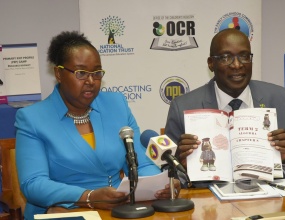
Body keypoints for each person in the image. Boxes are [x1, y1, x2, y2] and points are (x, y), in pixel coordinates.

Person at [15, 31, 180, 219]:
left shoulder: (116, 105)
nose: (91, 81)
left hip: (116, 209)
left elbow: (140, 164)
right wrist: (88, 197)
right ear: (59, 73)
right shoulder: (32, 118)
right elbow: (33, 183)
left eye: (97, 73)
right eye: (81, 73)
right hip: (62, 210)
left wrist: (159, 186)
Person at [165, 28, 285, 187]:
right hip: (210, 206)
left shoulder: (279, 99)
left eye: (244, 56)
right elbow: (167, 174)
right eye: (226, 57)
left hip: (269, 200)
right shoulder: (183, 107)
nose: (237, 65)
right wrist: (180, 163)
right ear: (211, 63)